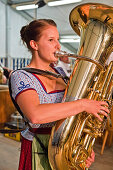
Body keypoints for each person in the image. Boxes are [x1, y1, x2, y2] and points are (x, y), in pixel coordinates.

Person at [10, 19, 109, 170]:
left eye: (58, 39)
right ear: (34, 45)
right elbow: (35, 115)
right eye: (51, 40)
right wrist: (83, 104)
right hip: (38, 148)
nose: (58, 46)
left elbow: (71, 116)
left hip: (64, 145)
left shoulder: (60, 74)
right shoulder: (21, 76)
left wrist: (83, 147)